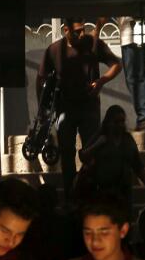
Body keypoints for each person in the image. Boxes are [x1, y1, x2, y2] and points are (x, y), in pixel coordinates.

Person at [37, 17, 122, 200]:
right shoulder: (54, 50)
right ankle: (70, 195)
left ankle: (91, 193)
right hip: (64, 108)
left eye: (83, 29)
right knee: (66, 155)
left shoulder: (93, 43)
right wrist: (43, 109)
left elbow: (116, 64)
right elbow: (41, 78)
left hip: (89, 108)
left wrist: (101, 81)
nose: (82, 34)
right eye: (77, 31)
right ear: (65, 30)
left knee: (92, 153)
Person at [77, 104, 145, 205]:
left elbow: (137, 165)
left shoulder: (128, 140)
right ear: (109, 123)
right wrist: (97, 145)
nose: (120, 125)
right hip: (103, 194)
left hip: (124, 193)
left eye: (122, 121)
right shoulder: (100, 137)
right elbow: (83, 157)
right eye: (116, 122)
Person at [117, 16, 145, 132]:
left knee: (133, 76)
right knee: (140, 71)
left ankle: (144, 118)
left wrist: (97, 30)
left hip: (130, 30)